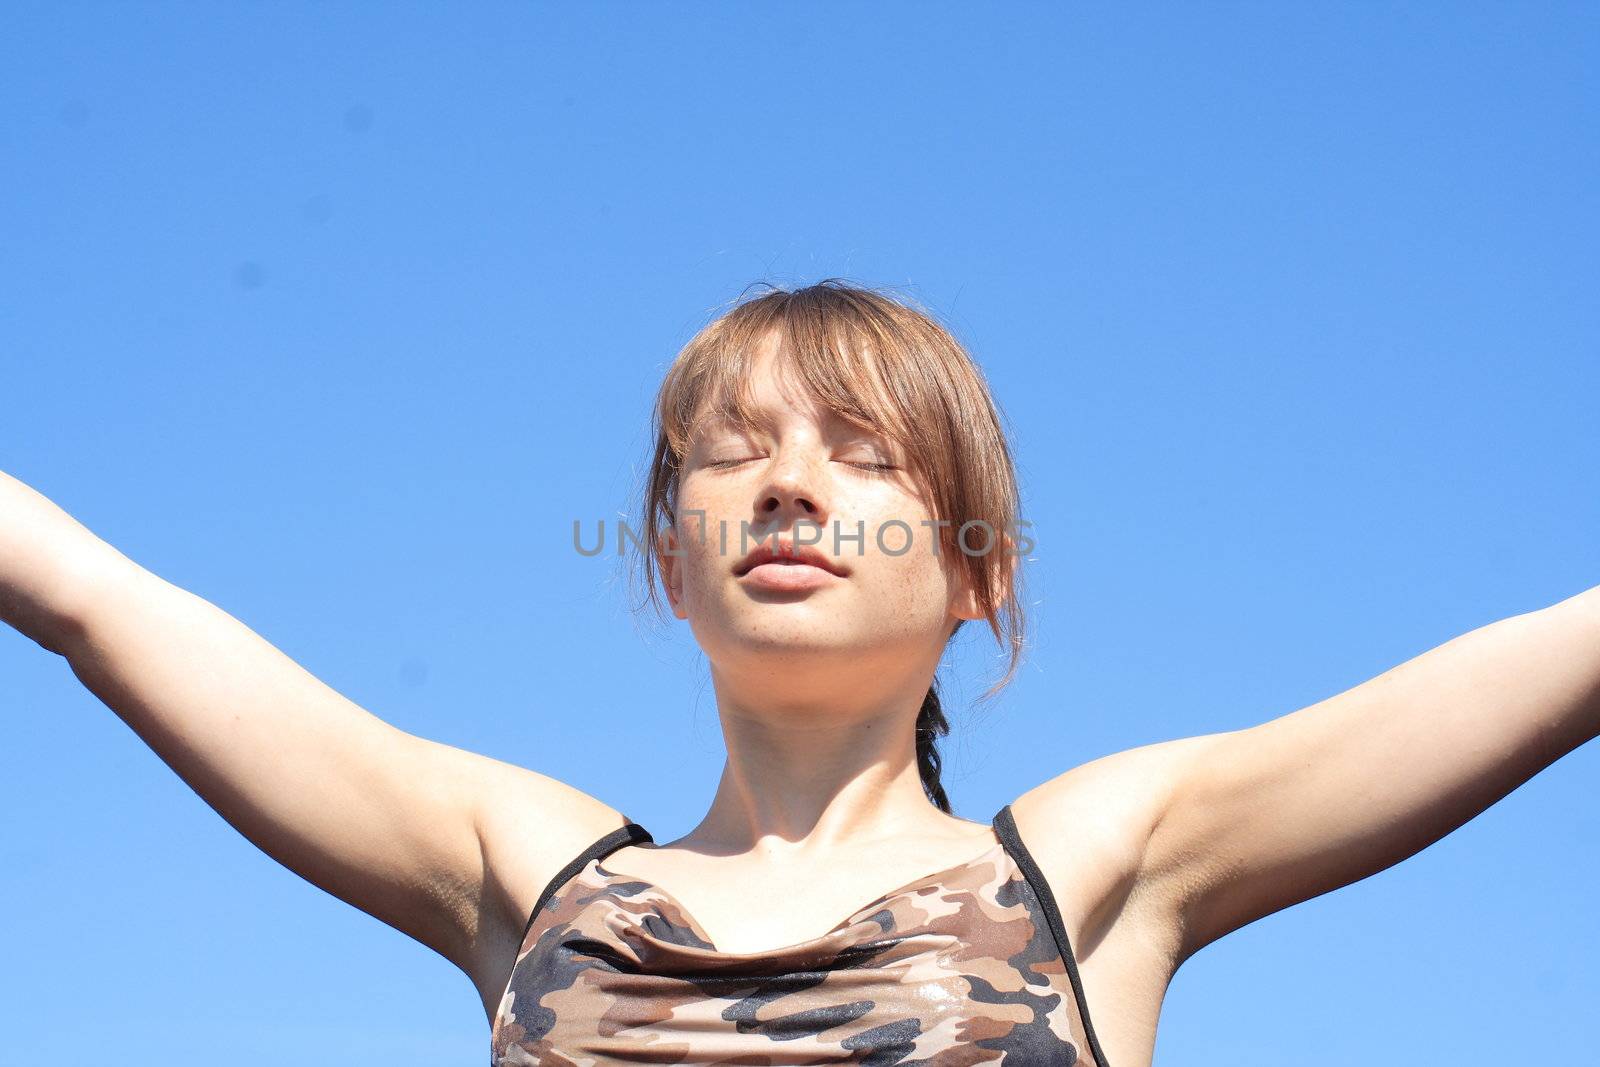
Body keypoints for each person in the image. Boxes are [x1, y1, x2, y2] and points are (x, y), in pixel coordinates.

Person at [1, 279, 1596, 1067]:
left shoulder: (1096, 865)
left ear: (979, 572)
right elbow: (89, 601)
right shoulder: (530, 875)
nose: (785, 488)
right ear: (666, 557)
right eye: (733, 454)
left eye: (863, 456)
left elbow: (1556, 659)